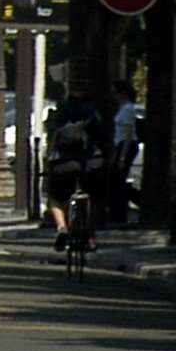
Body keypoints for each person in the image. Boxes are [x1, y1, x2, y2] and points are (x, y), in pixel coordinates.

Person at [41, 80, 109, 235]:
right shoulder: (93, 111)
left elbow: (53, 133)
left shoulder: (62, 109)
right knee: (96, 196)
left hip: (63, 162)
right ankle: (90, 230)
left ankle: (61, 226)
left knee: (55, 196)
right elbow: (101, 135)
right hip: (91, 162)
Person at [110, 80, 143, 224]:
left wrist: (123, 156)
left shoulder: (128, 109)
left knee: (118, 180)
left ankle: (124, 211)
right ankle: (118, 213)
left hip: (126, 145)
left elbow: (129, 133)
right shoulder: (122, 108)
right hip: (120, 144)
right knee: (116, 180)